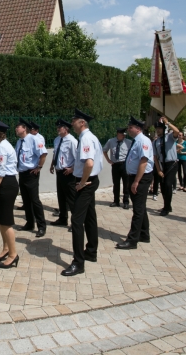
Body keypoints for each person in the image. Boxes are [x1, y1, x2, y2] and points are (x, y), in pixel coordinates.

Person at [61, 109, 103, 276]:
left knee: (77, 221)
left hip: (86, 182)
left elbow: (89, 163)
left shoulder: (86, 138)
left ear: (82, 122)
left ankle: (78, 263)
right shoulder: (89, 137)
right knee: (90, 216)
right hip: (90, 180)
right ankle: (91, 251)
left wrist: (82, 183)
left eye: (74, 121)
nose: (72, 123)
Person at [116, 115, 153, 251]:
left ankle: (132, 240)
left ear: (138, 128)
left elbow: (144, 161)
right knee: (140, 207)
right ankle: (144, 234)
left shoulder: (143, 141)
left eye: (130, 127)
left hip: (141, 178)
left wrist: (136, 181)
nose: (128, 130)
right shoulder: (136, 140)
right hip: (135, 176)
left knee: (138, 209)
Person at [0, 118, 20, 269]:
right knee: (1, 219)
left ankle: (13, 255)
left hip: (6, 184)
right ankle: (6, 249)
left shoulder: (1, 148)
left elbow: (0, 173)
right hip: (6, 183)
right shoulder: (1, 145)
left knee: (6, 221)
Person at [15, 118, 47, 238]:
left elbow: (43, 153)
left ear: (24, 128)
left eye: (18, 127)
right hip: (22, 173)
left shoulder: (34, 139)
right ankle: (29, 223)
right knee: (26, 200)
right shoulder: (19, 141)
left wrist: (39, 167)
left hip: (31, 174)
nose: (16, 129)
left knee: (34, 200)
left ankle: (41, 226)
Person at [50, 119, 78, 226]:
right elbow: (55, 153)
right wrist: (52, 164)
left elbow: (77, 158)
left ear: (66, 129)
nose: (57, 129)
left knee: (71, 198)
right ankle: (63, 219)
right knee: (61, 197)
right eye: (57, 127)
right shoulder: (57, 139)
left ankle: (75, 222)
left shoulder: (72, 141)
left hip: (68, 173)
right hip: (59, 171)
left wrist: (72, 169)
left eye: (60, 128)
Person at [153, 117, 180, 217]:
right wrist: (158, 170)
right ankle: (167, 205)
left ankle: (166, 207)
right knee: (163, 186)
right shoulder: (155, 142)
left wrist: (167, 123)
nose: (158, 130)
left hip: (172, 164)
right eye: (157, 128)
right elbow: (155, 157)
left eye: (160, 128)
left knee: (168, 184)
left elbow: (177, 131)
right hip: (162, 165)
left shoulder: (170, 137)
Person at [102, 128, 130, 208]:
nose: (123, 136)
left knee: (126, 184)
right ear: (118, 134)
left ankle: (126, 202)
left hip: (125, 165)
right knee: (116, 184)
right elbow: (104, 150)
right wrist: (108, 160)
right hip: (115, 165)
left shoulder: (128, 142)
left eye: (124, 134)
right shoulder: (111, 141)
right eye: (122, 134)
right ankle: (116, 201)